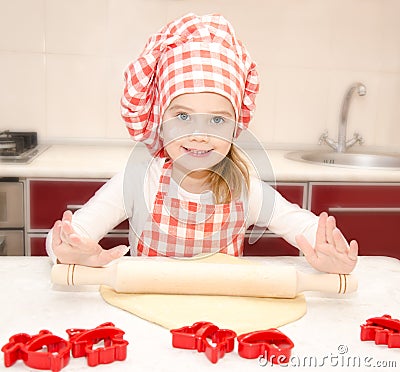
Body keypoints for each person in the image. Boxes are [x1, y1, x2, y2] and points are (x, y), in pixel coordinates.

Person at [46, 13, 358, 274]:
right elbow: (66, 238)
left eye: (218, 120)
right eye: (183, 117)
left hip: (221, 322)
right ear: (159, 121)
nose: (199, 134)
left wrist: (330, 251)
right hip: (146, 315)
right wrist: (69, 251)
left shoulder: (245, 188)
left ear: (235, 128)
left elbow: (301, 226)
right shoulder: (137, 181)